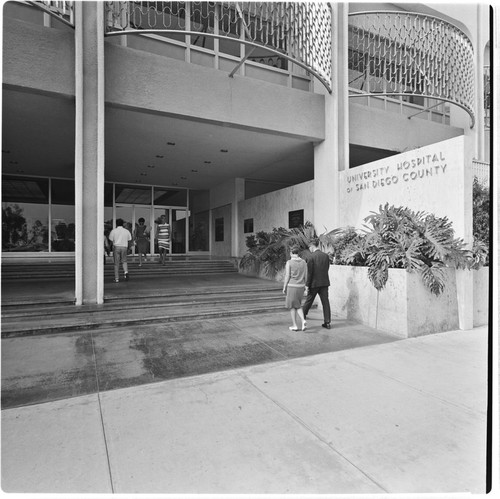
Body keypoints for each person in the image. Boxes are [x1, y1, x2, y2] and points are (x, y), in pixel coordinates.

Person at [302, 237, 332, 329]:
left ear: (311, 246)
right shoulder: (326, 256)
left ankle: (302, 316)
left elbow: (310, 273)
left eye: (309, 247)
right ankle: (327, 322)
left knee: (309, 301)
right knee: (325, 302)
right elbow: (327, 268)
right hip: (324, 282)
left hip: (314, 283)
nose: (309, 249)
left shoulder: (311, 257)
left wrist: (307, 285)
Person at [283, 246, 308, 331]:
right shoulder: (304, 262)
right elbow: (306, 275)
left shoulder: (289, 262)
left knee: (292, 306)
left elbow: (287, 276)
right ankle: (300, 322)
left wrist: (284, 287)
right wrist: (306, 286)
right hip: (301, 286)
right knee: (297, 305)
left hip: (292, 286)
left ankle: (297, 324)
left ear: (291, 253)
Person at [109, 218, 132, 282]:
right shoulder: (126, 231)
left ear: (116, 224)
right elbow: (129, 240)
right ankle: (126, 271)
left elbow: (111, 240)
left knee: (116, 263)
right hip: (124, 247)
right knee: (124, 261)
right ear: (123, 224)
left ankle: (117, 278)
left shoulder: (114, 231)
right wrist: (129, 248)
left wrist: (110, 248)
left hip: (116, 247)